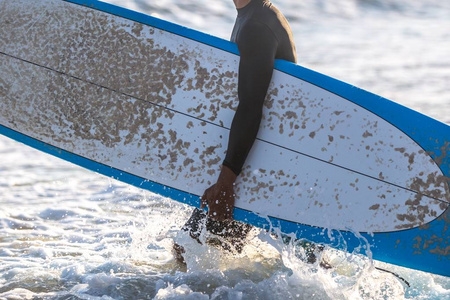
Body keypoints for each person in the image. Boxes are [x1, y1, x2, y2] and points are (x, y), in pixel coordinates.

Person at [173, 0, 297, 263]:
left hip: (258, 166)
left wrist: (226, 182)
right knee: (202, 251)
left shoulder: (257, 25)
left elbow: (252, 106)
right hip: (260, 162)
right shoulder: (253, 15)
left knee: (188, 250)